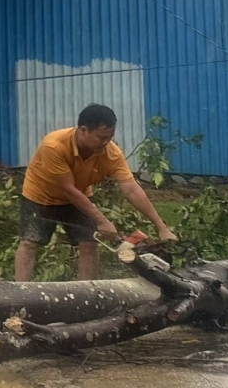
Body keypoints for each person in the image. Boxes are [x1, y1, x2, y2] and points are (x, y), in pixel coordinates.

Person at [15, 104, 177, 282]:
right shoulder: (54, 146)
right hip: (41, 196)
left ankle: (90, 291)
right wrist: (102, 221)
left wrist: (162, 227)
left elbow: (131, 189)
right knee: (30, 242)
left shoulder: (112, 154)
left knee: (89, 243)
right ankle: (21, 292)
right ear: (83, 130)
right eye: (102, 137)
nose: (107, 142)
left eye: (110, 137)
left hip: (80, 196)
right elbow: (68, 189)